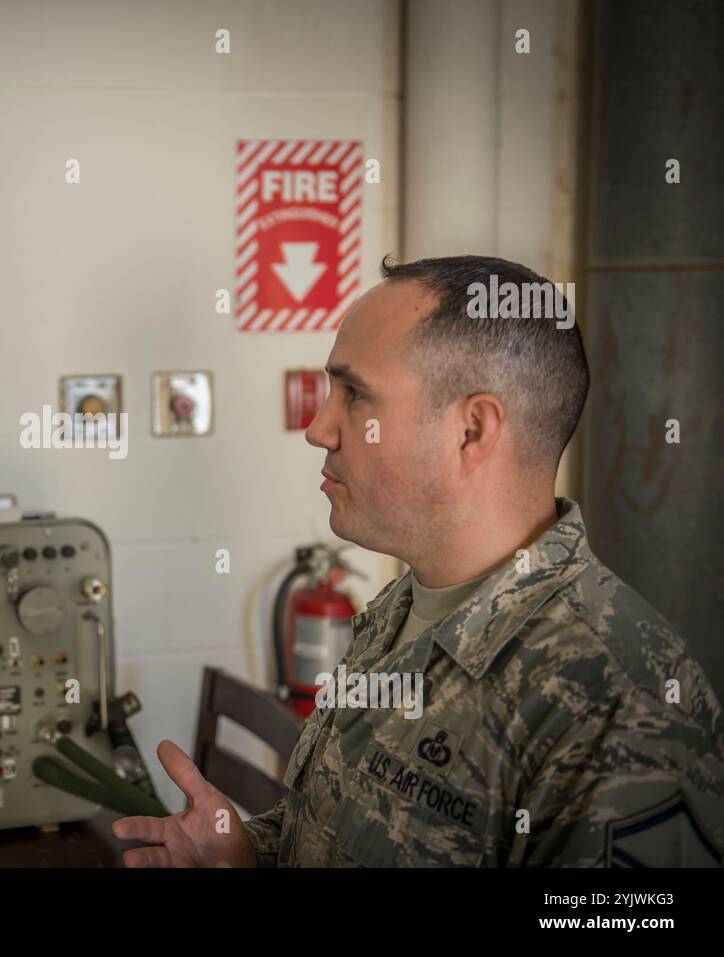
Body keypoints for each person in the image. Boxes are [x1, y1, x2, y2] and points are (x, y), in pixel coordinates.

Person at [113, 255, 724, 866]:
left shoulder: (617, 700)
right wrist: (247, 855)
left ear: (471, 432)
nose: (319, 428)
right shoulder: (402, 609)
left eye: (355, 394)